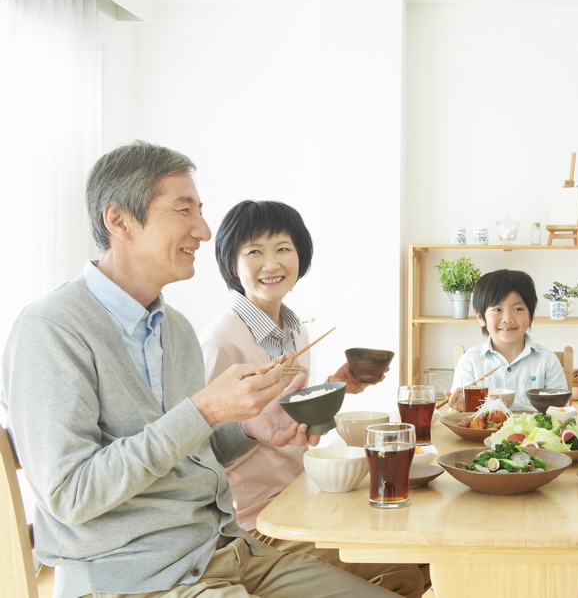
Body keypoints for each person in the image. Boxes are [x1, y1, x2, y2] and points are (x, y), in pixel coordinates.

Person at [0, 142, 393, 597]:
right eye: (183, 210)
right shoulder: (51, 330)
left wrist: (249, 428)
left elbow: (189, 454)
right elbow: (71, 494)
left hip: (225, 552)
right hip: (135, 580)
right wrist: (204, 410)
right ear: (119, 220)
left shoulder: (175, 329)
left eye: (200, 211)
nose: (203, 231)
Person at [199, 199, 426, 597]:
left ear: (300, 256)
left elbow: (289, 420)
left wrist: (334, 385)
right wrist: (254, 429)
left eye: (283, 249)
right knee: (402, 567)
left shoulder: (294, 329)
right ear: (230, 263)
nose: (271, 264)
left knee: (417, 557)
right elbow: (203, 449)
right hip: (258, 522)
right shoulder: (221, 339)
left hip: (303, 494)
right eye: (254, 251)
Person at [447, 269, 567, 412]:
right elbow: (461, 414)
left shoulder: (547, 360)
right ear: (480, 317)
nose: (507, 319)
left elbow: (560, 412)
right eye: (497, 309)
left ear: (531, 314)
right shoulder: (470, 361)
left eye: (518, 309)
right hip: (483, 434)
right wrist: (459, 409)